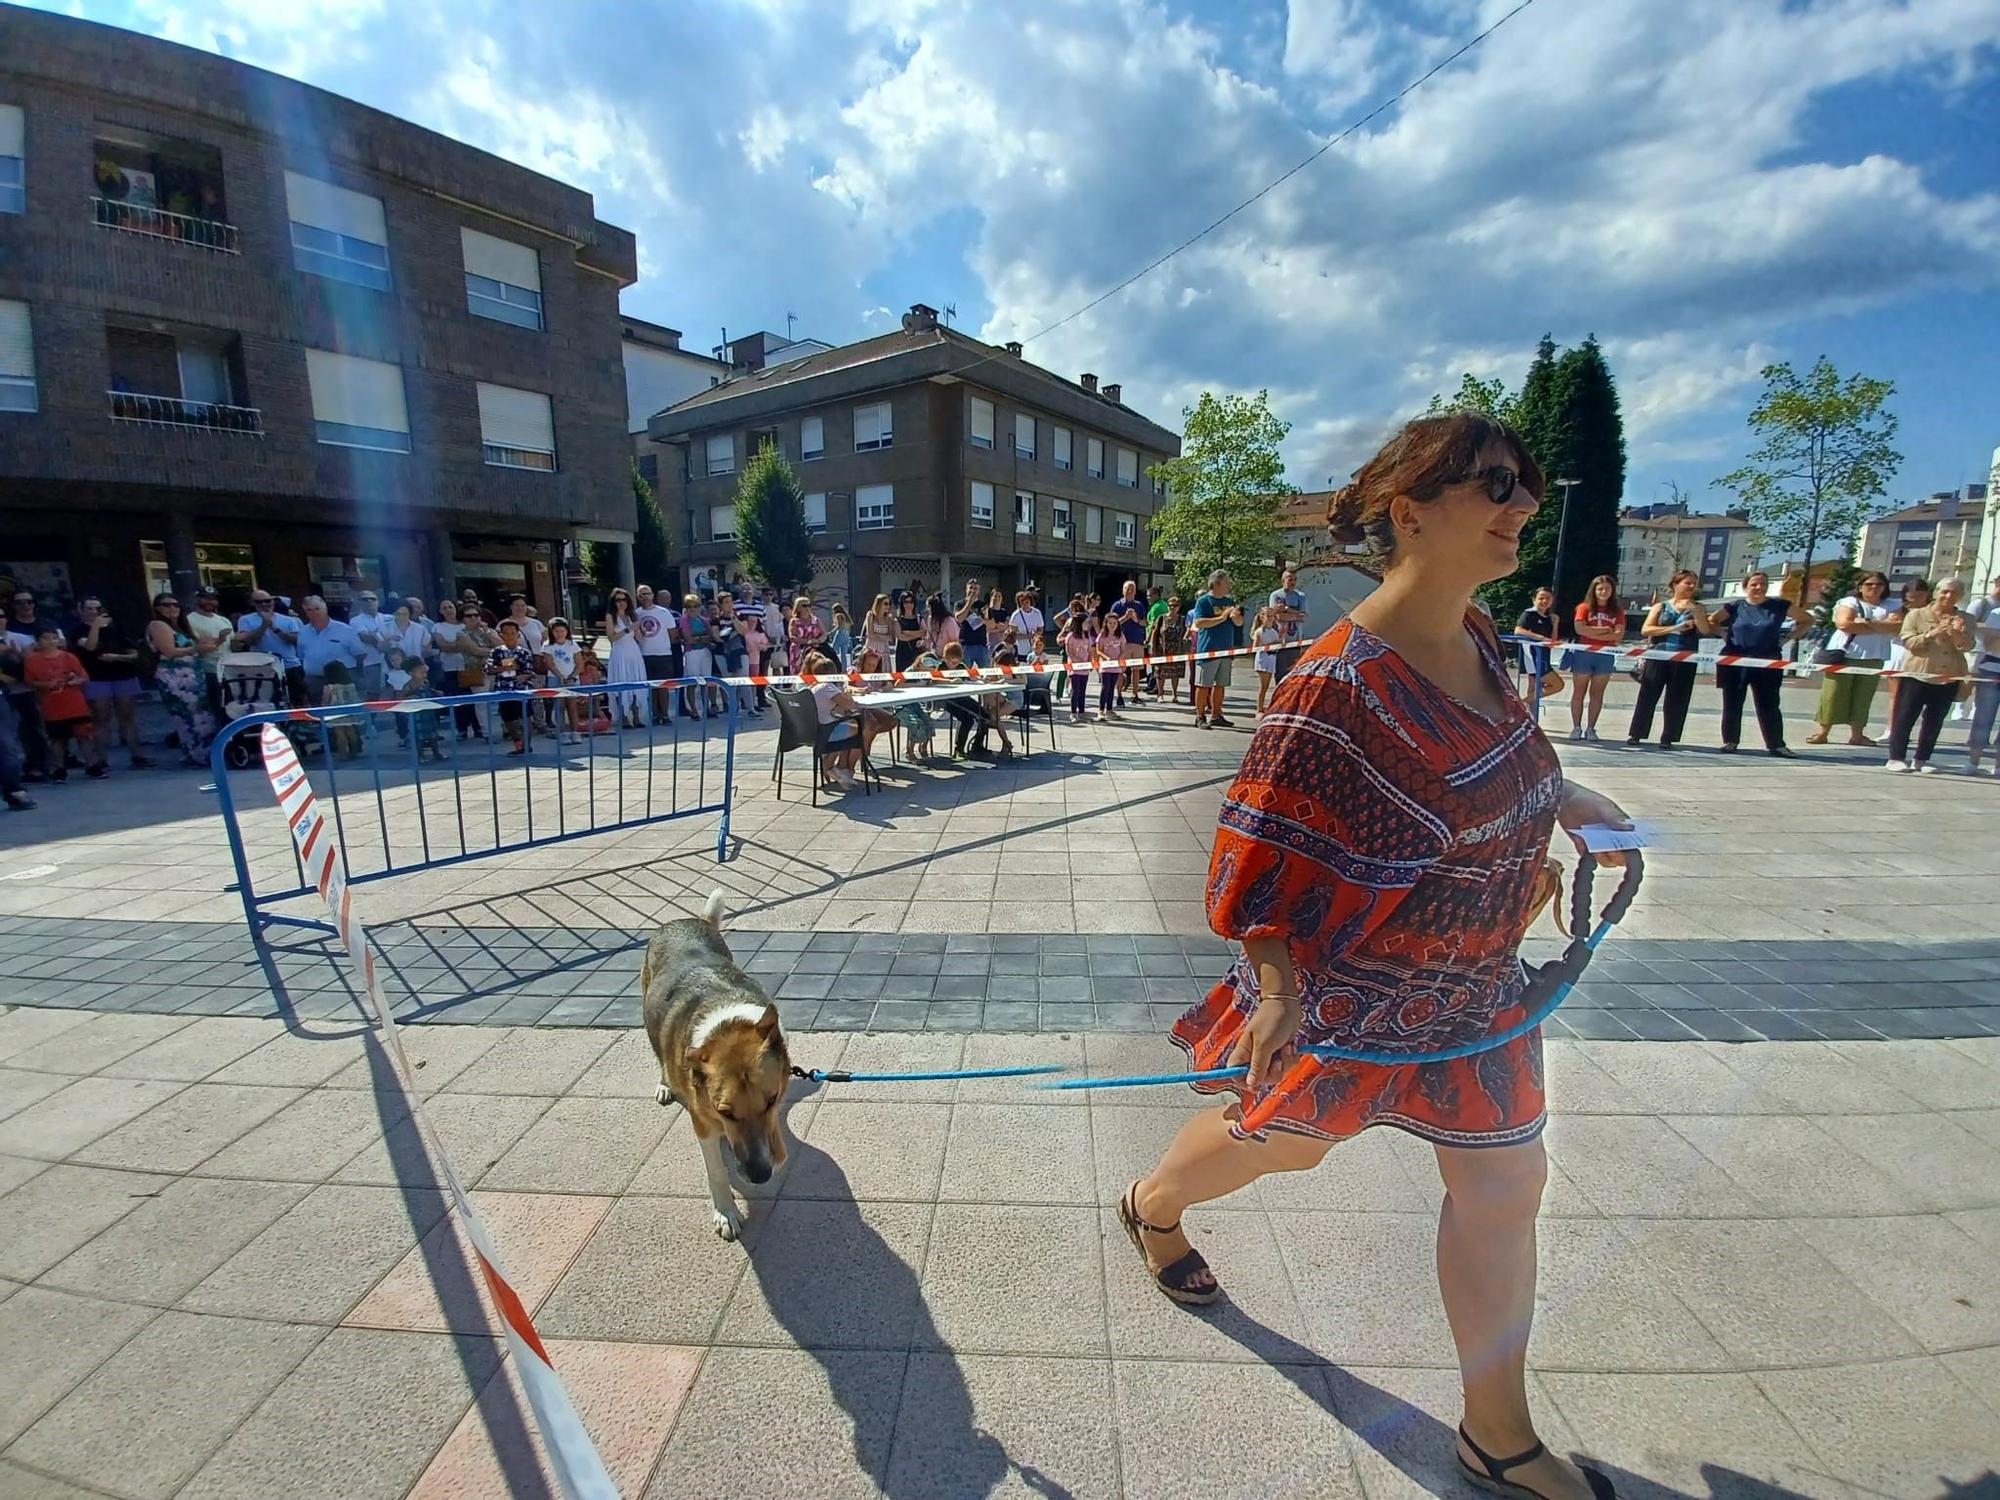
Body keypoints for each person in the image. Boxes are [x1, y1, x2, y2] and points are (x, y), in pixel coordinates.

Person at [1125, 411, 1628, 1500]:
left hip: (1480, 994)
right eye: (1494, 483)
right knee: (1282, 1146)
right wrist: (1271, 988)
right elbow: (1253, 848)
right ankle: (1152, 1203)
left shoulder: (1483, 637)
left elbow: (1507, 766)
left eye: (1526, 486)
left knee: (1503, 1184)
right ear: (1411, 509)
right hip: (1357, 994)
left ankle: (1495, 1432)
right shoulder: (1333, 682)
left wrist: (1566, 802)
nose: (1521, 504)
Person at [1710, 570, 1801, 757]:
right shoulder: (1734, 606)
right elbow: (1712, 620)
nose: (1759, 588)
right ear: (1746, 587)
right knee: (1732, 704)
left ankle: (1776, 744)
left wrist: (1787, 638)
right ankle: (1730, 741)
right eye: (1754, 584)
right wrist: (1723, 634)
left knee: (1769, 704)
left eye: (1763, 584)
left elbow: (1808, 620)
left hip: (1768, 661)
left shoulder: (1779, 605)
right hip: (1735, 660)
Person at [1888, 576, 1972, 774]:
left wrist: (1957, 634)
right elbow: (1908, 642)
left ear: (1960, 596)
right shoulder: (1916, 615)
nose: (1948, 596)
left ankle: (1922, 759)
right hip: (1917, 673)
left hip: (1948, 675)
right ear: (1935, 593)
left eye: (1954, 593)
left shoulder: (1966, 619)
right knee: (1905, 717)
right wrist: (1931, 634)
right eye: (1944, 591)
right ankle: (1896, 758)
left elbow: (1968, 646)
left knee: (1935, 720)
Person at [1807, 571, 1895, 747]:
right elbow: (1844, 624)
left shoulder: (1892, 604)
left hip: (1874, 656)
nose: (1874, 588)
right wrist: (1881, 625)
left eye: (1879, 584)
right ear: (1860, 586)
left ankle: (1857, 735)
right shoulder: (1850, 602)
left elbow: (1897, 626)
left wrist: (1864, 622)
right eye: (1869, 584)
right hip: (1844, 654)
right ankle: (1822, 732)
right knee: (1833, 695)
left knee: (1863, 697)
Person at [1624, 571, 1710, 749]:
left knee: (1678, 698)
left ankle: (1668, 736)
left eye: (1694, 584)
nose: (1692, 587)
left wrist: (1696, 612)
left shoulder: (1698, 607)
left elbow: (1705, 630)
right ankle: (1637, 733)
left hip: (1685, 657)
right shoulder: (1661, 607)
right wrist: (1673, 628)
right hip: (1659, 655)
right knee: (1648, 695)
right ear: (1675, 585)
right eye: (1687, 583)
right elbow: (1646, 630)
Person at [72, 596, 150, 769]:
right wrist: (95, 627)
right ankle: (101, 759)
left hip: (123, 675)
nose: (94, 612)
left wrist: (117, 657)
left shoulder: (117, 629)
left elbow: (134, 653)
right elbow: (90, 646)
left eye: (97, 608)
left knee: (128, 717)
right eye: (89, 608)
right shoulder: (78, 630)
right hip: (96, 678)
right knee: (100, 719)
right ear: (81, 611)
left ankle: (137, 755)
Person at [142, 594, 215, 764]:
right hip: (175, 677)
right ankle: (196, 754)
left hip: (193, 675)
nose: (172, 608)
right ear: (157, 608)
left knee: (201, 714)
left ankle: (202, 752)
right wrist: (195, 648)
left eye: (176, 605)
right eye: (166, 605)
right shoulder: (158, 625)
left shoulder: (179, 627)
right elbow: (169, 651)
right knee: (188, 716)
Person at [26, 625, 105, 780]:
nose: (50, 642)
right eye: (45, 638)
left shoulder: (69, 657)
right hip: (52, 705)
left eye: (53, 638)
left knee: (85, 735)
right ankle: (58, 769)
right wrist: (47, 685)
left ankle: (92, 765)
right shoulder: (32, 660)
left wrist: (76, 681)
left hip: (75, 704)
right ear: (38, 641)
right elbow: (30, 682)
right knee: (57, 739)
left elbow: (84, 676)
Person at [1564, 575, 1622, 741]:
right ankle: (1576, 727)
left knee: (1597, 693)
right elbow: (1580, 630)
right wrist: (1606, 632)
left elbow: (1618, 636)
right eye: (1600, 589)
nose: (1604, 592)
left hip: (1605, 654)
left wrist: (1599, 633)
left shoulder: (1617, 611)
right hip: (1584, 652)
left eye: (1607, 589)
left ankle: (1591, 728)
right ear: (1594, 590)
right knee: (1579, 692)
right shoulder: (1584, 607)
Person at [801, 646, 864, 789]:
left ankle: (835, 765)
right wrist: (851, 700)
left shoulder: (811, 687)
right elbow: (850, 705)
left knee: (846, 725)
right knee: (858, 729)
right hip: (825, 732)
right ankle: (834, 766)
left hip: (810, 732)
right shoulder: (827, 687)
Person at [1189, 568, 1243, 729]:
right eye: (1227, 581)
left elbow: (1239, 624)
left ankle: (1217, 714)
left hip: (1226, 649)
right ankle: (1200, 716)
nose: (1230, 584)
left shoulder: (1230, 601)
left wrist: (1236, 617)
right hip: (1208, 649)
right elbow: (1199, 623)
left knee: (1221, 684)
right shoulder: (1204, 601)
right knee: (1204, 684)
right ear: (1218, 583)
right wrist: (1221, 618)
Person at [234, 590, 305, 707]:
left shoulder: (289, 620)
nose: (264, 604)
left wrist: (276, 629)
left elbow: (297, 640)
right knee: (266, 702)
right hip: (262, 667)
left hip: (289, 666)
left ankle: (299, 723)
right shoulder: (245, 620)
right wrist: (264, 625)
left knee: (296, 700)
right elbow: (248, 641)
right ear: (253, 603)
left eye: (267, 601)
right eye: (259, 602)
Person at [296, 595, 363, 706]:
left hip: (342, 681)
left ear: (325, 608)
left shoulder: (345, 630)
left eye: (317, 609)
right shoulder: (302, 631)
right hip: (315, 679)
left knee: (347, 714)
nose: (314, 612)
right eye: (309, 610)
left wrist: (356, 676)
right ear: (305, 612)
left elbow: (360, 654)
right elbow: (301, 655)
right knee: (318, 712)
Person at [486, 618, 539, 755]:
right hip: (504, 690)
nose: (510, 636)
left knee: (525, 718)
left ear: (518, 635)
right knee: (508, 719)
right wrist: (502, 668)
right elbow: (488, 669)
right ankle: (518, 743)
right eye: (506, 633)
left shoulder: (524, 652)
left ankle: (527, 745)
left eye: (512, 633)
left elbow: (531, 672)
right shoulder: (496, 652)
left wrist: (523, 676)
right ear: (501, 635)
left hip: (521, 690)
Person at [602, 589, 648, 730]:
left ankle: (636, 715)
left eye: (624, 600)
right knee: (621, 682)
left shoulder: (631, 616)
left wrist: (641, 631)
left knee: (635, 682)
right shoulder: (611, 616)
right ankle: (623, 716)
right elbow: (611, 637)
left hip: (633, 652)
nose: (621, 603)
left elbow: (639, 637)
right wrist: (628, 629)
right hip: (619, 652)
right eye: (618, 600)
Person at [634, 584, 680, 723]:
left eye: (647, 593)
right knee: (651, 687)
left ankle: (665, 714)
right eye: (641, 595)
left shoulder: (664, 613)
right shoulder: (636, 614)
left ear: (652, 595)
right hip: (644, 654)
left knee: (664, 686)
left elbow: (673, 634)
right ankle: (655, 714)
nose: (645, 597)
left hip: (663, 654)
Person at [185, 588, 233, 720]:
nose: (209, 601)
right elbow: (199, 647)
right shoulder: (189, 620)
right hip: (207, 670)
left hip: (228, 669)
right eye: (205, 598)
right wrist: (220, 639)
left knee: (230, 706)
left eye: (213, 598)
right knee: (214, 707)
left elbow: (232, 644)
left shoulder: (223, 620)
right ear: (197, 599)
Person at [1513, 586, 1560, 709]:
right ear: (1534, 600)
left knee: (1534, 688)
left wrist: (1555, 624)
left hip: (1544, 655)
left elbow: (1552, 641)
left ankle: (1528, 715)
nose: (1544, 601)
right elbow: (1518, 630)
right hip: (1532, 655)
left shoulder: (1549, 618)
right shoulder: (1529, 614)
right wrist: (1540, 638)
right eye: (1541, 598)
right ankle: (1519, 706)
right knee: (1557, 684)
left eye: (1547, 598)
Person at [345, 590, 392, 701]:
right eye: (365, 599)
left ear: (378, 601)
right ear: (359, 603)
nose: (369, 601)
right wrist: (385, 640)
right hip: (371, 662)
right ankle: (372, 718)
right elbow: (366, 638)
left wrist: (376, 636)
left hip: (393, 661)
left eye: (373, 598)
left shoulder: (389, 618)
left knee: (394, 692)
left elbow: (398, 637)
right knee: (373, 693)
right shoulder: (355, 620)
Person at [544, 618, 585, 744]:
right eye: (556, 631)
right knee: (559, 706)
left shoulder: (572, 644)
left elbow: (579, 663)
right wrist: (560, 676)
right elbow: (549, 663)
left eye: (562, 631)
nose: (560, 633)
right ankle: (562, 732)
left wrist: (572, 676)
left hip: (571, 679)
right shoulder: (548, 645)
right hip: (555, 678)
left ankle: (575, 732)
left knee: (572, 707)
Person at [1108, 581, 1148, 708]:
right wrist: (1125, 617)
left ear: (1135, 591)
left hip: (1137, 641)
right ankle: (1119, 695)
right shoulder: (1117, 605)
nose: (1130, 591)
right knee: (1120, 670)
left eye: (1132, 589)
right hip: (1121, 642)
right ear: (1123, 590)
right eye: (1127, 589)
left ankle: (1135, 695)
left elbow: (1145, 623)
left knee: (1136, 670)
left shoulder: (1139, 605)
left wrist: (1136, 619)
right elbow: (1111, 624)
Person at [1268, 567, 1310, 682]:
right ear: (1283, 581)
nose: (1292, 582)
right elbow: (1278, 616)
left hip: (1296, 641)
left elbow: (1304, 616)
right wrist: (1296, 615)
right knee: (1280, 675)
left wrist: (1286, 609)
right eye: (1289, 579)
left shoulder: (1301, 596)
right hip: (1280, 641)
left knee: (1293, 676)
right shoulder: (1276, 596)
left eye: (1294, 580)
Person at [679, 593, 715, 718]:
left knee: (706, 681)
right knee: (693, 682)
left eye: (695, 606)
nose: (692, 609)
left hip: (705, 652)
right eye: (689, 606)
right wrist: (702, 638)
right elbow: (688, 640)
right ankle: (693, 710)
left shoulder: (704, 620)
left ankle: (707, 708)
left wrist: (698, 638)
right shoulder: (684, 621)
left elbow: (710, 637)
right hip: (691, 653)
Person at [1149, 594, 1189, 704]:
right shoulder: (1161, 618)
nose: (1172, 607)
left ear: (1179, 607)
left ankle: (1175, 694)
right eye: (1170, 605)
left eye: (1175, 605)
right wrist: (1153, 648)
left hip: (1177, 651)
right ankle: (1160, 694)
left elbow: (1186, 633)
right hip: (1162, 650)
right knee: (1160, 673)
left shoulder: (1182, 619)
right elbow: (1155, 633)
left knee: (1175, 674)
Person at [1062, 609, 1097, 723]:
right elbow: (1069, 652)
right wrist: (1077, 661)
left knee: (1082, 690)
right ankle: (1073, 712)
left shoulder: (1087, 636)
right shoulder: (1070, 636)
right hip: (1074, 668)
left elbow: (1090, 650)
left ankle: (1081, 712)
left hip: (1084, 668)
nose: (1088, 625)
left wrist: (1089, 661)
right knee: (1075, 690)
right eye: (1086, 622)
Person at [1251, 605, 1284, 714]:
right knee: (1264, 686)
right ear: (1262, 617)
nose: (1270, 618)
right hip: (1263, 659)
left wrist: (1281, 639)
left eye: (1272, 616)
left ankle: (1267, 706)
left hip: (1272, 658)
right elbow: (1255, 648)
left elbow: (1278, 642)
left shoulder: (1274, 631)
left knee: (1270, 685)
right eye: (1268, 616)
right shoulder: (1259, 631)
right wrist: (1270, 645)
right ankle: (1259, 708)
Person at [1095, 609, 1128, 720]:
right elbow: (1098, 650)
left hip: (1116, 666)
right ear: (1106, 623)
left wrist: (1120, 658)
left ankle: (1109, 709)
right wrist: (1106, 658)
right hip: (1105, 666)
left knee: (1111, 688)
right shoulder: (1102, 635)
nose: (1112, 625)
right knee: (1105, 687)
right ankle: (1100, 710)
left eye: (1114, 623)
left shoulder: (1120, 636)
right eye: (1110, 623)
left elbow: (1123, 649)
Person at [787, 595, 826, 675]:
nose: (807, 608)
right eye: (804, 606)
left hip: (814, 649)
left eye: (809, 605)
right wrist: (807, 641)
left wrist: (817, 640)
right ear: (798, 607)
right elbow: (792, 637)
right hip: (798, 650)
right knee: (799, 673)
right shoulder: (794, 621)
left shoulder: (816, 620)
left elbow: (824, 634)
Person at [956, 580, 989, 667]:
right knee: (965, 672)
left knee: (986, 673)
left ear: (979, 591)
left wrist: (982, 620)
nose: (973, 591)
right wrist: (969, 603)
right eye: (971, 588)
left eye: (975, 589)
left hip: (981, 644)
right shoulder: (959, 604)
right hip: (966, 644)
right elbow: (959, 619)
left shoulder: (983, 605)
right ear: (966, 589)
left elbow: (991, 624)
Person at [860, 594, 898, 667]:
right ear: (879, 604)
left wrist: (876, 635)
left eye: (889, 604)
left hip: (884, 651)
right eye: (885, 604)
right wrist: (883, 636)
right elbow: (870, 634)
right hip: (871, 649)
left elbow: (890, 638)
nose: (888, 606)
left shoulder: (889, 618)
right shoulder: (871, 615)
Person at [1008, 589, 1046, 658]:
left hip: (1035, 650)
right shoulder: (1016, 615)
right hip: (1021, 650)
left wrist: (1035, 635)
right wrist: (1028, 636)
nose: (1025, 605)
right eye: (1022, 603)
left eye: (1027, 602)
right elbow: (1012, 635)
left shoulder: (1037, 613)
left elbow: (1041, 629)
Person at [922, 593, 959, 660]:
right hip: (934, 654)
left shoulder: (949, 621)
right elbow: (929, 636)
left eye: (928, 607)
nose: (927, 609)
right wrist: (924, 642)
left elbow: (954, 640)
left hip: (948, 656)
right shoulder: (930, 619)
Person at [829, 605, 854, 669]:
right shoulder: (845, 616)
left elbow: (839, 626)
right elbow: (849, 625)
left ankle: (833, 666)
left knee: (833, 650)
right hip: (846, 634)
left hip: (840, 633)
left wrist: (831, 632)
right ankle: (844, 669)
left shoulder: (838, 615)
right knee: (843, 654)